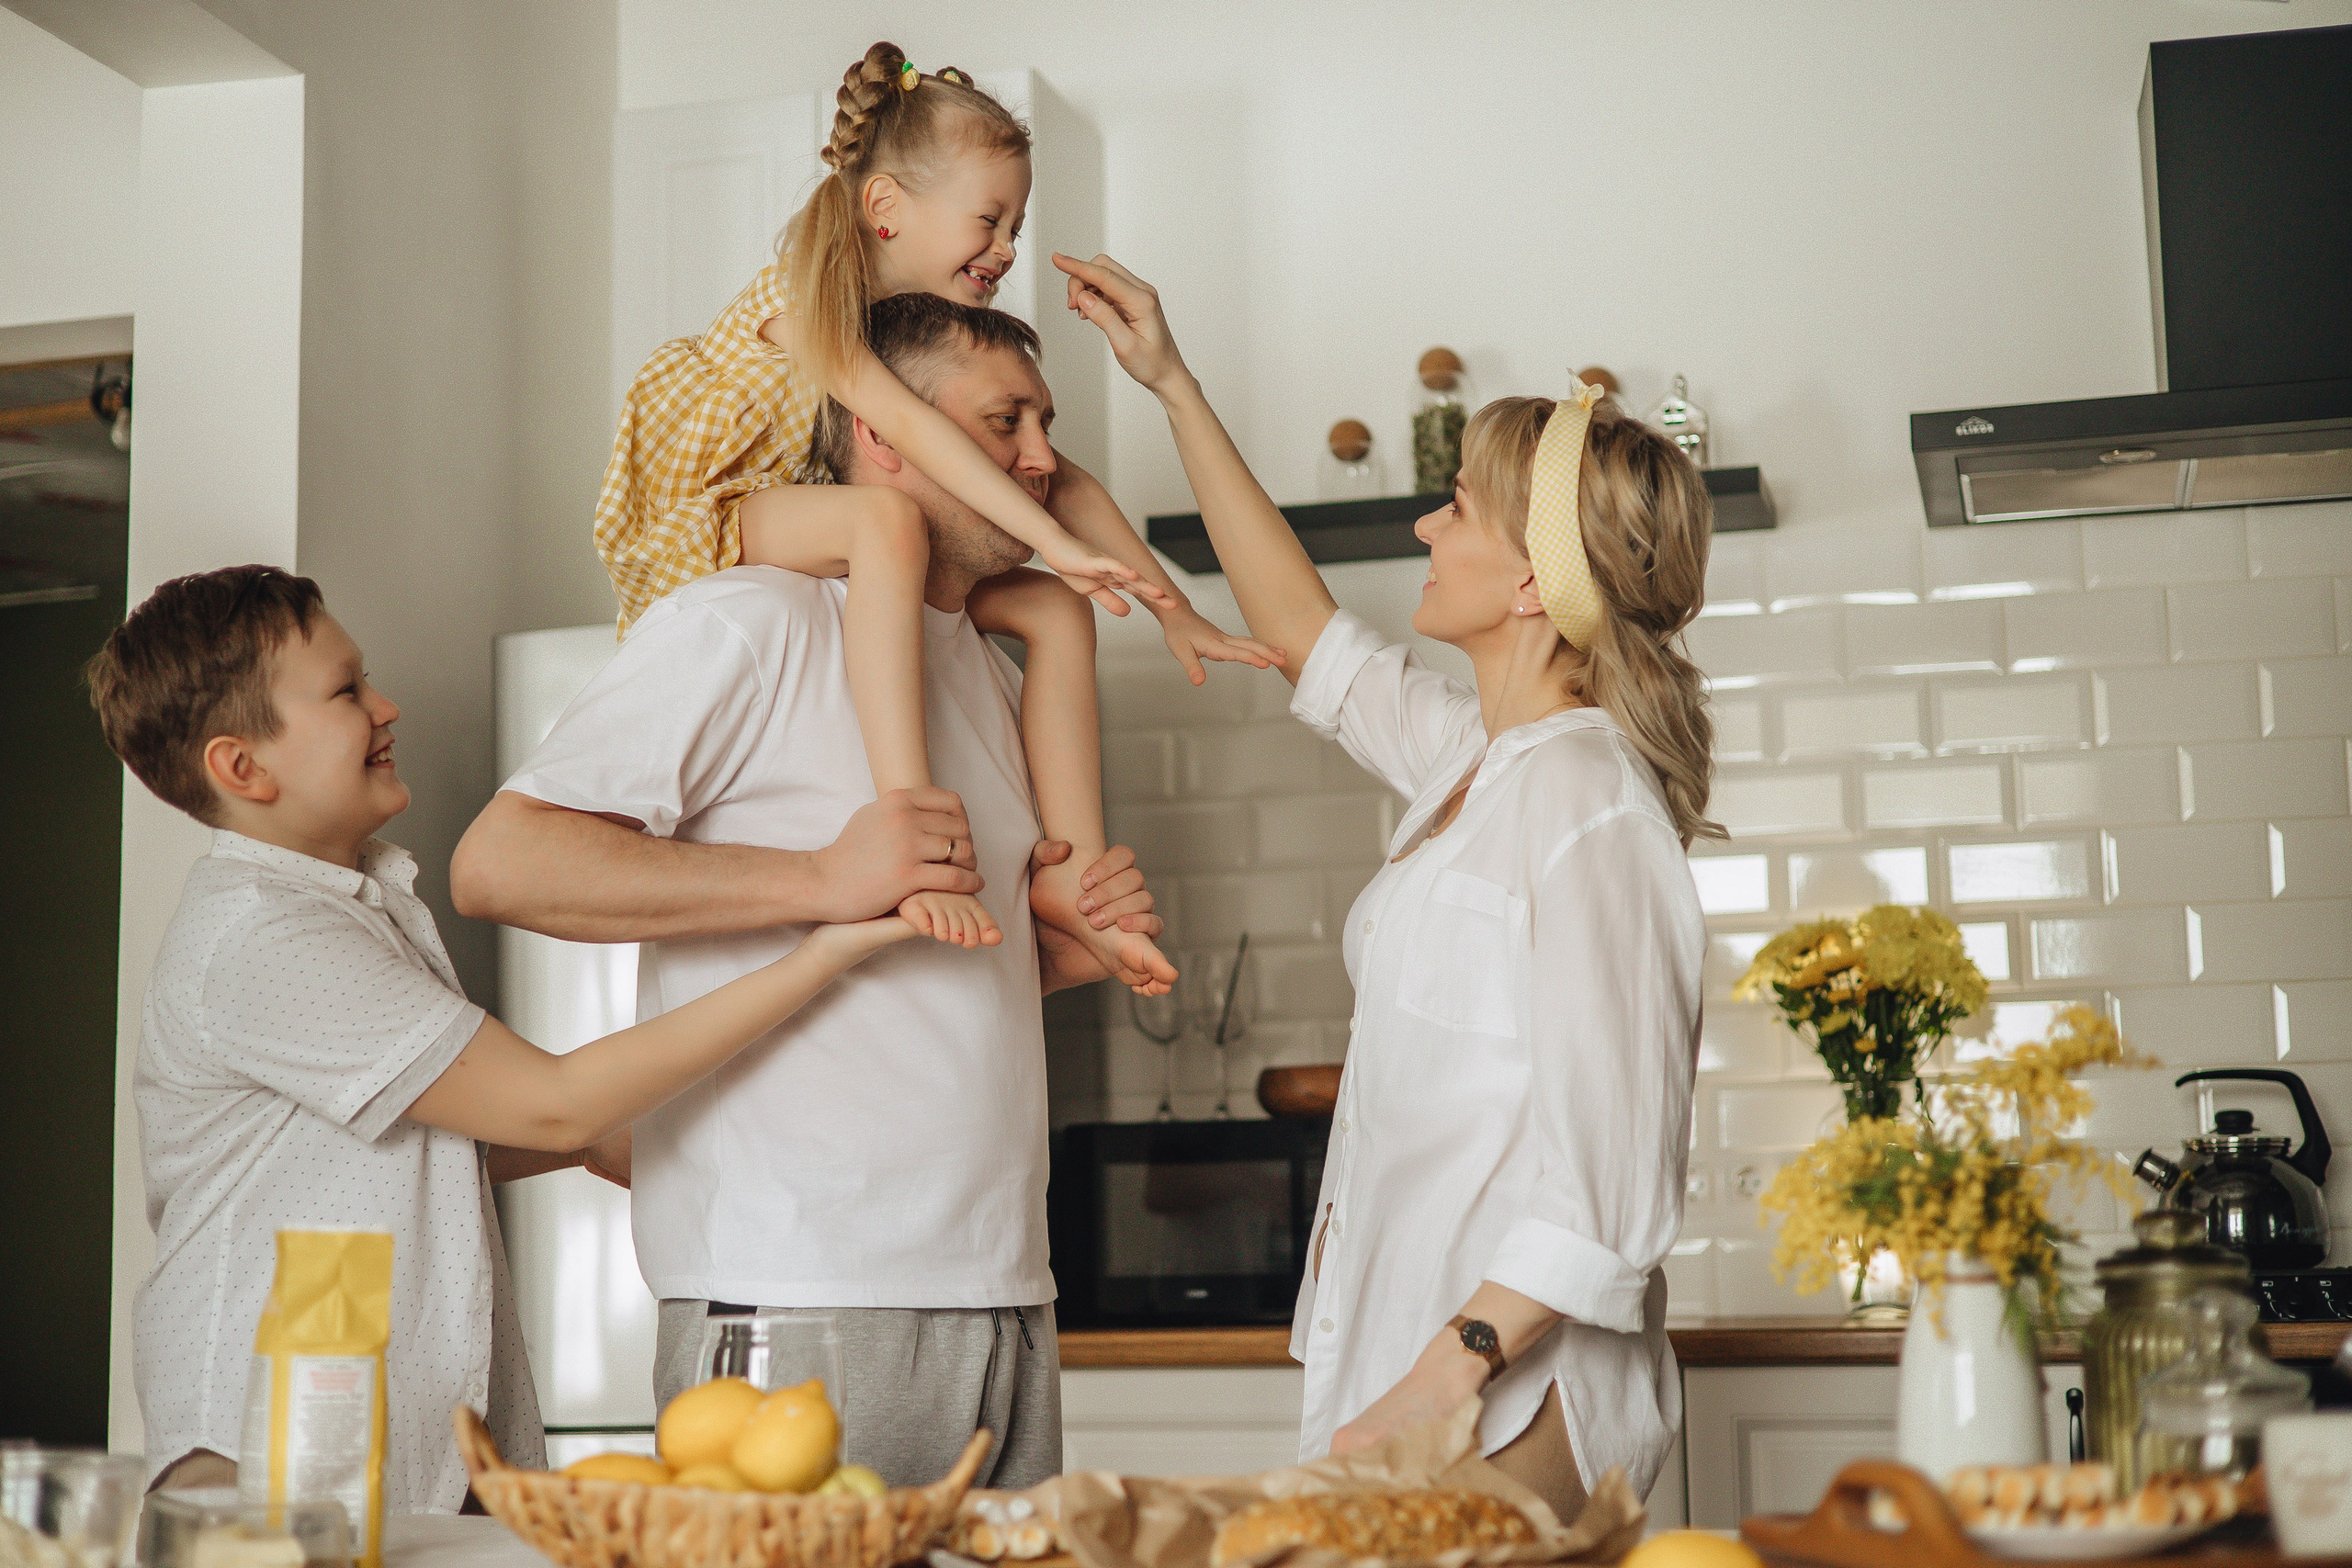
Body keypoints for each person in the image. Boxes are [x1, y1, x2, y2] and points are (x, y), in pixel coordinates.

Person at [451, 292, 1170, 1491]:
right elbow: (503, 861)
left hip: (1001, 1285)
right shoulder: (746, 623)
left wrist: (1050, 951)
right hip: (804, 1295)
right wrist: (825, 874)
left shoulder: (982, 669)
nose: (1041, 461)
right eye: (1006, 423)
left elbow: (903, 956)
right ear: (885, 436)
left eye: (1044, 424)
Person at [1057, 254, 1713, 1519]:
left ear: (1533, 577)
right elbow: (1302, 630)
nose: (1424, 527)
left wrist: (1434, 1386)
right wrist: (1173, 385)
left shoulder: (1591, 809)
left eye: (1457, 508)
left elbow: (1615, 1183)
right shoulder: (1480, 760)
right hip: (1421, 1383)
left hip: (1510, 1398)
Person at [89, 565, 914, 1506]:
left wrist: (635, 1143)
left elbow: (410, 1143)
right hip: (267, 1465)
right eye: (347, 690)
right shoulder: (265, 935)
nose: (386, 705)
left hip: (392, 1455)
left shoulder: (351, 905)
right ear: (243, 768)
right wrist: (821, 949)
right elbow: (551, 1104)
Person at [597, 40, 1268, 978]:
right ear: (886, 208)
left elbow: (1056, 477)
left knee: (1051, 605)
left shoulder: (908, 327)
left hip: (797, 502)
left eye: (1016, 228)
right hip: (711, 510)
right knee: (889, 524)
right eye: (989, 220)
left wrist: (1175, 612)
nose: (1003, 250)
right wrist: (1047, 540)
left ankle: (1065, 878)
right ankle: (913, 824)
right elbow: (917, 431)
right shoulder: (807, 294)